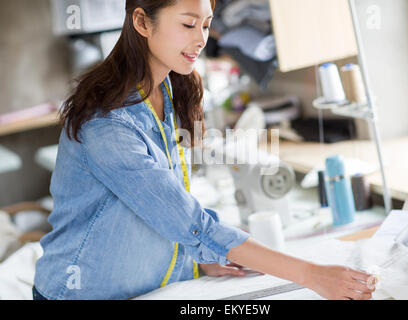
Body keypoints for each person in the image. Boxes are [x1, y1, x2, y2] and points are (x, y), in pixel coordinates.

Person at [33, 0, 374, 300]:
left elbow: (155, 216)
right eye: (187, 24)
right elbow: (188, 222)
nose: (201, 38)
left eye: (207, 24)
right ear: (141, 22)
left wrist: (198, 261)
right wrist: (314, 276)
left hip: (151, 286)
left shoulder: (165, 89)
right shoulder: (108, 124)